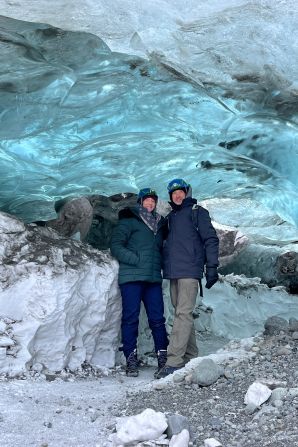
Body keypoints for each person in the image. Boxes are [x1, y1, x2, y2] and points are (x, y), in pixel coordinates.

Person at [156, 178, 219, 379]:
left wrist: (211, 267)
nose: (177, 195)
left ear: (186, 193)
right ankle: (191, 355)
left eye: (180, 192)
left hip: (190, 271)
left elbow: (210, 239)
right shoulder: (171, 218)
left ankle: (173, 361)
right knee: (183, 313)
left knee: (182, 313)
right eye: (173, 193)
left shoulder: (197, 213)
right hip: (174, 272)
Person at [110, 188, 168, 377]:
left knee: (158, 320)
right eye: (147, 200)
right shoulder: (129, 221)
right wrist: (135, 260)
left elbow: (161, 249)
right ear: (140, 202)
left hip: (152, 279)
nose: (150, 204)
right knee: (130, 318)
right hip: (132, 278)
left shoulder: (159, 225)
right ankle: (131, 359)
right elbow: (116, 245)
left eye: (153, 201)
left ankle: (163, 357)